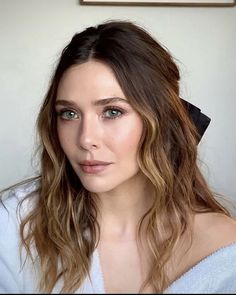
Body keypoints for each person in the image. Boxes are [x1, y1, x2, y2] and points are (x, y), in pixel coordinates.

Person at [0, 20, 236, 294]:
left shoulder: (224, 250)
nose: (86, 138)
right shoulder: (14, 228)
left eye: (112, 111)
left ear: (160, 119)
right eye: (69, 113)